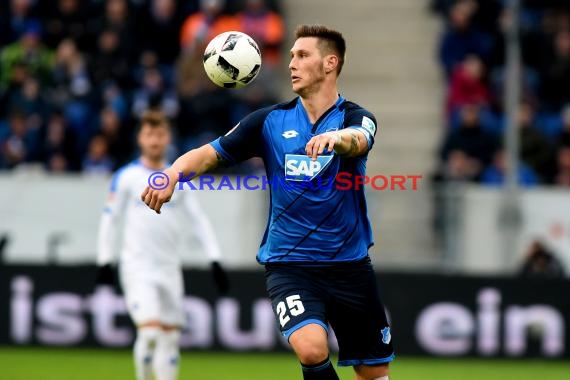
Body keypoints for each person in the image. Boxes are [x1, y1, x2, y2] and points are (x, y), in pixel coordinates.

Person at [141, 24, 395, 380]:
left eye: (303, 55)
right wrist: (171, 174)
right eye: (291, 55)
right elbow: (209, 154)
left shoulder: (356, 117)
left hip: (349, 265)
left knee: (374, 372)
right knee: (310, 347)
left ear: (330, 63)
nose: (291, 62)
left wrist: (336, 138)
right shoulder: (268, 122)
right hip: (290, 264)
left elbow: (360, 139)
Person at [96, 110, 229, 380]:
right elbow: (110, 220)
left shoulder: (178, 179)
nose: (155, 140)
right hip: (137, 267)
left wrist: (214, 259)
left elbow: (199, 220)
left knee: (169, 339)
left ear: (167, 138)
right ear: (140, 138)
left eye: (159, 134)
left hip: (169, 268)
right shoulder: (126, 177)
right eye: (149, 134)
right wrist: (104, 260)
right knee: (150, 332)